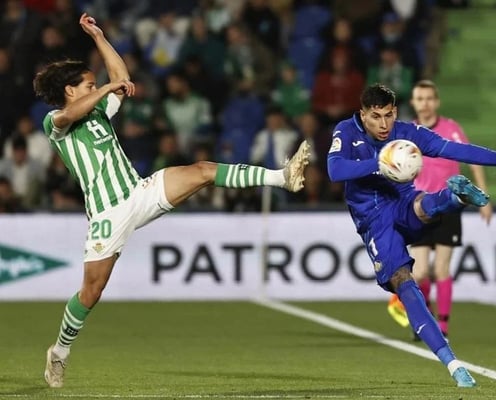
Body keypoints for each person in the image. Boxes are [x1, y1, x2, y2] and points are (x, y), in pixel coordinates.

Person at [33, 13, 310, 389]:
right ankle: (60, 352)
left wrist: (98, 37)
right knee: (91, 292)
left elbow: (121, 76)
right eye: (89, 85)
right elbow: (73, 112)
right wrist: (107, 86)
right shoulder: (56, 123)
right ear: (70, 90)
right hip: (107, 214)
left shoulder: (98, 111)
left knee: (203, 170)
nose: (96, 88)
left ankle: (282, 177)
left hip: (139, 192)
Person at [327, 83, 496, 387]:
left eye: (388, 115)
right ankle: (455, 366)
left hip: (401, 201)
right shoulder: (346, 130)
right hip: (374, 220)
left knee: (420, 207)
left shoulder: (406, 132)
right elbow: (335, 170)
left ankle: (455, 197)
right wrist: (380, 163)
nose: (383, 124)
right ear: (363, 114)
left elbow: (452, 149)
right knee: (405, 282)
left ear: (395, 112)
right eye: (376, 117)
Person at [387, 80, 493, 339]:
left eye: (429, 98)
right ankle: (426, 316)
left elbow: (471, 159)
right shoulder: (407, 133)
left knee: (441, 269)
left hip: (449, 206)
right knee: (421, 271)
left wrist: (484, 196)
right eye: (419, 98)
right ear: (413, 103)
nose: (424, 103)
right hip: (419, 207)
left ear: (436, 102)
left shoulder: (451, 129)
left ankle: (442, 326)